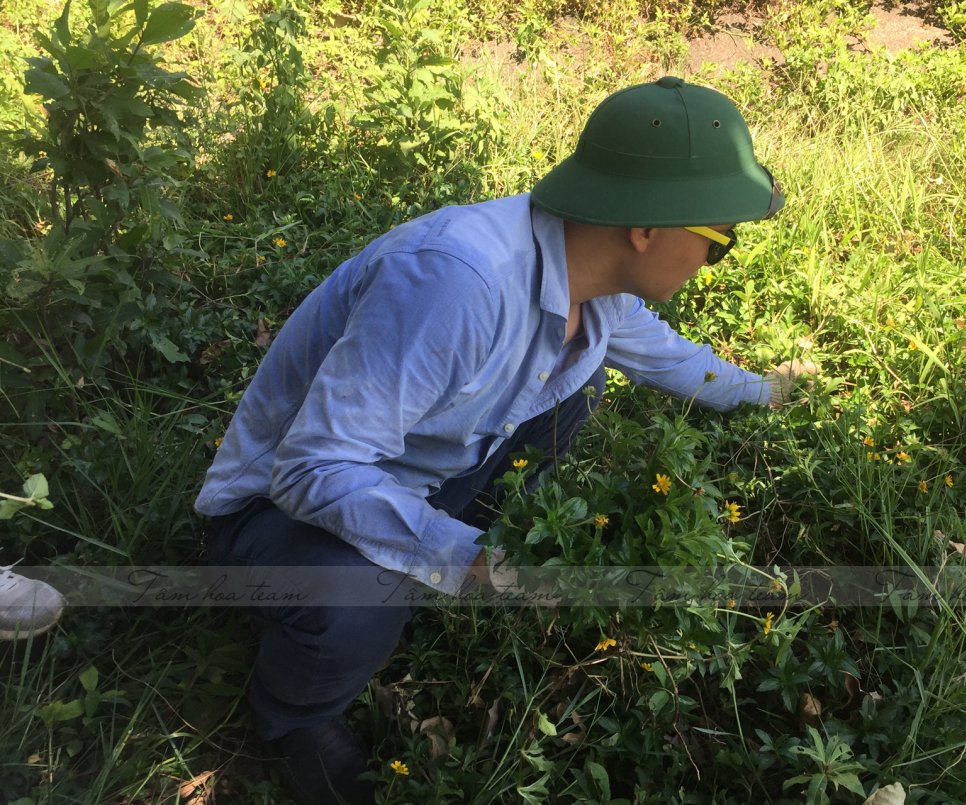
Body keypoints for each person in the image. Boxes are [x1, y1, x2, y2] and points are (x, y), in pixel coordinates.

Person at [196, 76, 803, 804]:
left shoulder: (594, 280)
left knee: (578, 381)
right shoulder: (457, 284)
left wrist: (768, 391)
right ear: (646, 227)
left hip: (418, 466)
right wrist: (465, 556)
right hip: (274, 510)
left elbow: (670, 357)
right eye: (718, 241)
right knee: (360, 599)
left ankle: (436, 564)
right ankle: (296, 714)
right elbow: (311, 468)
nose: (716, 260)